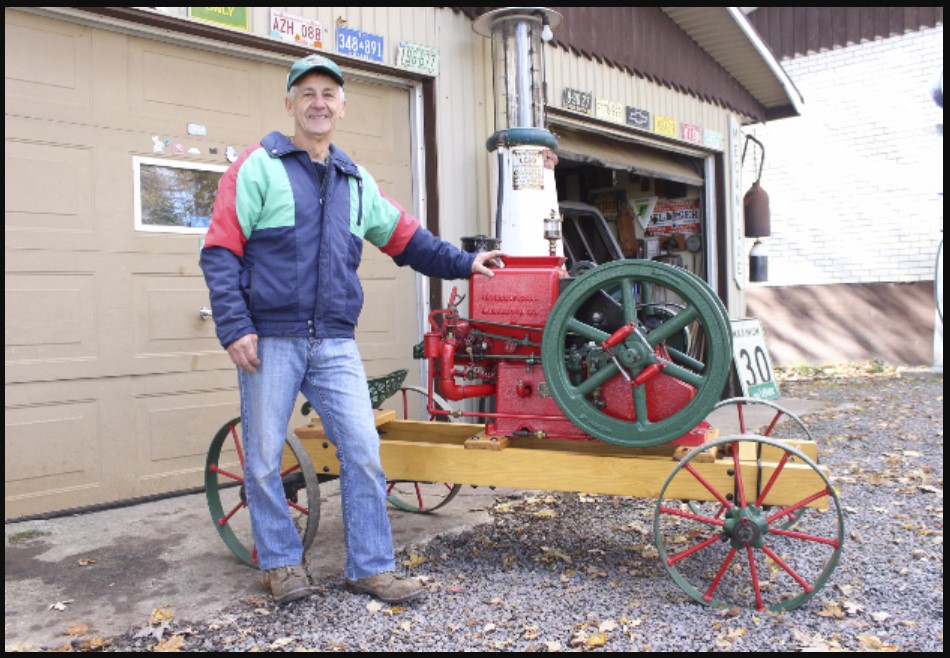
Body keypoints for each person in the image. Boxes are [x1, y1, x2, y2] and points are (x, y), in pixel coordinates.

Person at [200, 53, 504, 605]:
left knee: (363, 450)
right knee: (265, 456)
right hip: (270, 336)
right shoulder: (257, 166)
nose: (319, 103)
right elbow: (220, 250)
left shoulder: (354, 180)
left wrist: (465, 263)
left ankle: (370, 567)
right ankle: (281, 563)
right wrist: (234, 326)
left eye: (329, 94)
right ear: (290, 103)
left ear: (342, 105)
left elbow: (409, 240)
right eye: (308, 93)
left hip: (334, 340)